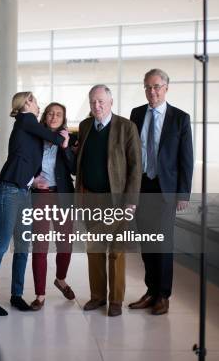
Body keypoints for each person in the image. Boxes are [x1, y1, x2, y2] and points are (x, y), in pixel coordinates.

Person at [0, 92, 66, 316]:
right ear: (27, 103)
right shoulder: (27, 119)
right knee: (1, 243)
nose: (39, 106)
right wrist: (64, 138)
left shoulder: (28, 128)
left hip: (24, 190)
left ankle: (16, 295)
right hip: (9, 191)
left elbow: (25, 158)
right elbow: (56, 139)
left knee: (22, 246)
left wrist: (33, 179)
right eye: (36, 101)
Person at [128, 68, 193, 315]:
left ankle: (163, 295)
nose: (151, 91)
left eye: (156, 86)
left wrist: (183, 194)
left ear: (166, 87)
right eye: (147, 87)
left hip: (165, 189)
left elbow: (186, 159)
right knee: (147, 242)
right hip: (141, 187)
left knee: (163, 243)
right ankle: (150, 290)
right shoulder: (136, 114)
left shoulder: (180, 118)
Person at [76, 84, 141, 317]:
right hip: (90, 199)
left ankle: (115, 300)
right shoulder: (84, 127)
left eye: (101, 101)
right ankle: (98, 296)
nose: (97, 105)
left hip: (118, 201)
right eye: (93, 101)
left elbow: (135, 167)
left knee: (116, 251)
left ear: (111, 102)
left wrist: (131, 202)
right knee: (94, 250)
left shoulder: (126, 127)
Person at [29, 102, 77, 311]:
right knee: (40, 246)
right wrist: (31, 180)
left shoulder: (70, 138)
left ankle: (61, 279)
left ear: (63, 118)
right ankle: (40, 294)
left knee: (65, 244)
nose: (54, 117)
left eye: (58, 114)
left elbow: (74, 169)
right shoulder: (33, 138)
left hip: (63, 195)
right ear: (44, 117)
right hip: (40, 196)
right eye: (50, 113)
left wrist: (66, 147)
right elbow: (23, 163)